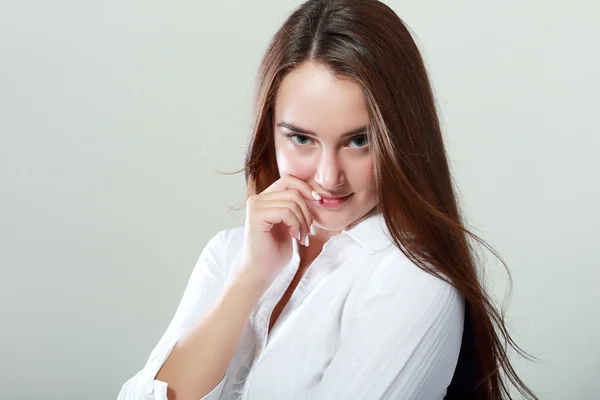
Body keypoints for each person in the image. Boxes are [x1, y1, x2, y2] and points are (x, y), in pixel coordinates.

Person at [118, 1, 538, 399]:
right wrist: (248, 279)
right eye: (301, 138)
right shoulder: (229, 256)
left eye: (359, 141)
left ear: (402, 138)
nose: (328, 177)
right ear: (270, 130)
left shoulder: (412, 280)